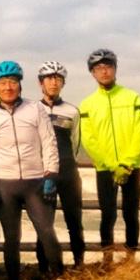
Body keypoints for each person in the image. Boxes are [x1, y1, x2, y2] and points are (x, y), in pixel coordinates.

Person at [0, 61, 63, 280]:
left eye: (13, 82)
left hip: (35, 180)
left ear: (20, 85)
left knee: (46, 230)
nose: (8, 87)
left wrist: (51, 174)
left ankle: (58, 276)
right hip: (4, 183)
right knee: (11, 236)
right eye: (3, 83)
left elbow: (49, 143)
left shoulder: (36, 109)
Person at [80, 49, 140, 258]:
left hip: (132, 167)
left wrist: (126, 163)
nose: (104, 71)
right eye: (99, 68)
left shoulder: (133, 97)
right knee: (107, 215)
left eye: (108, 66)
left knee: (131, 214)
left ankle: (130, 259)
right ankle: (107, 259)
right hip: (105, 168)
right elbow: (89, 139)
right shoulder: (87, 104)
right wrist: (112, 164)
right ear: (92, 73)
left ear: (115, 69)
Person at [35, 61, 85, 269]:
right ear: (41, 83)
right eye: (49, 78)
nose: (53, 83)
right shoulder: (33, 109)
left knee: (74, 220)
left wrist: (67, 163)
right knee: (44, 222)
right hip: (43, 173)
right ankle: (44, 267)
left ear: (63, 83)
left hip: (68, 171)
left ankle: (79, 264)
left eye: (58, 79)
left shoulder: (72, 111)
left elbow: (75, 142)